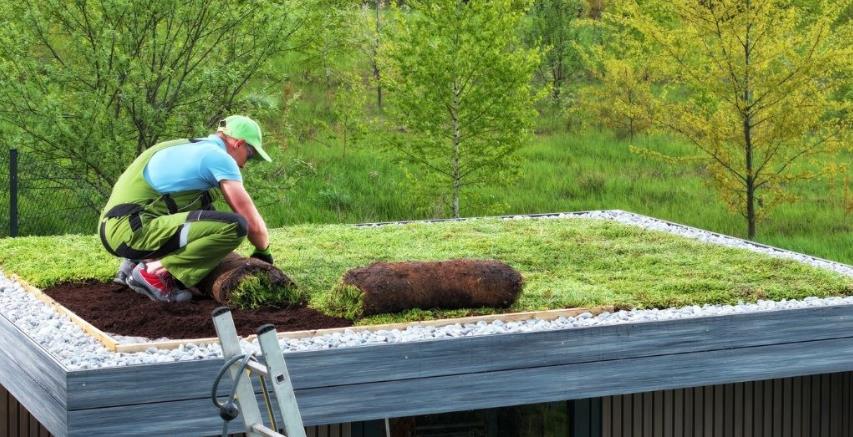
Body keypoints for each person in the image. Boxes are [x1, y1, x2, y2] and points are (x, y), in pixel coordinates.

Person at [99, 115, 274, 303]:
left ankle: (133, 263)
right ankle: (155, 273)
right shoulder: (219, 158)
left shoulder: (180, 147)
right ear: (238, 143)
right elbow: (252, 225)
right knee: (235, 226)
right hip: (133, 232)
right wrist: (263, 252)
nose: (245, 164)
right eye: (251, 154)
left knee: (206, 206)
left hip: (115, 228)